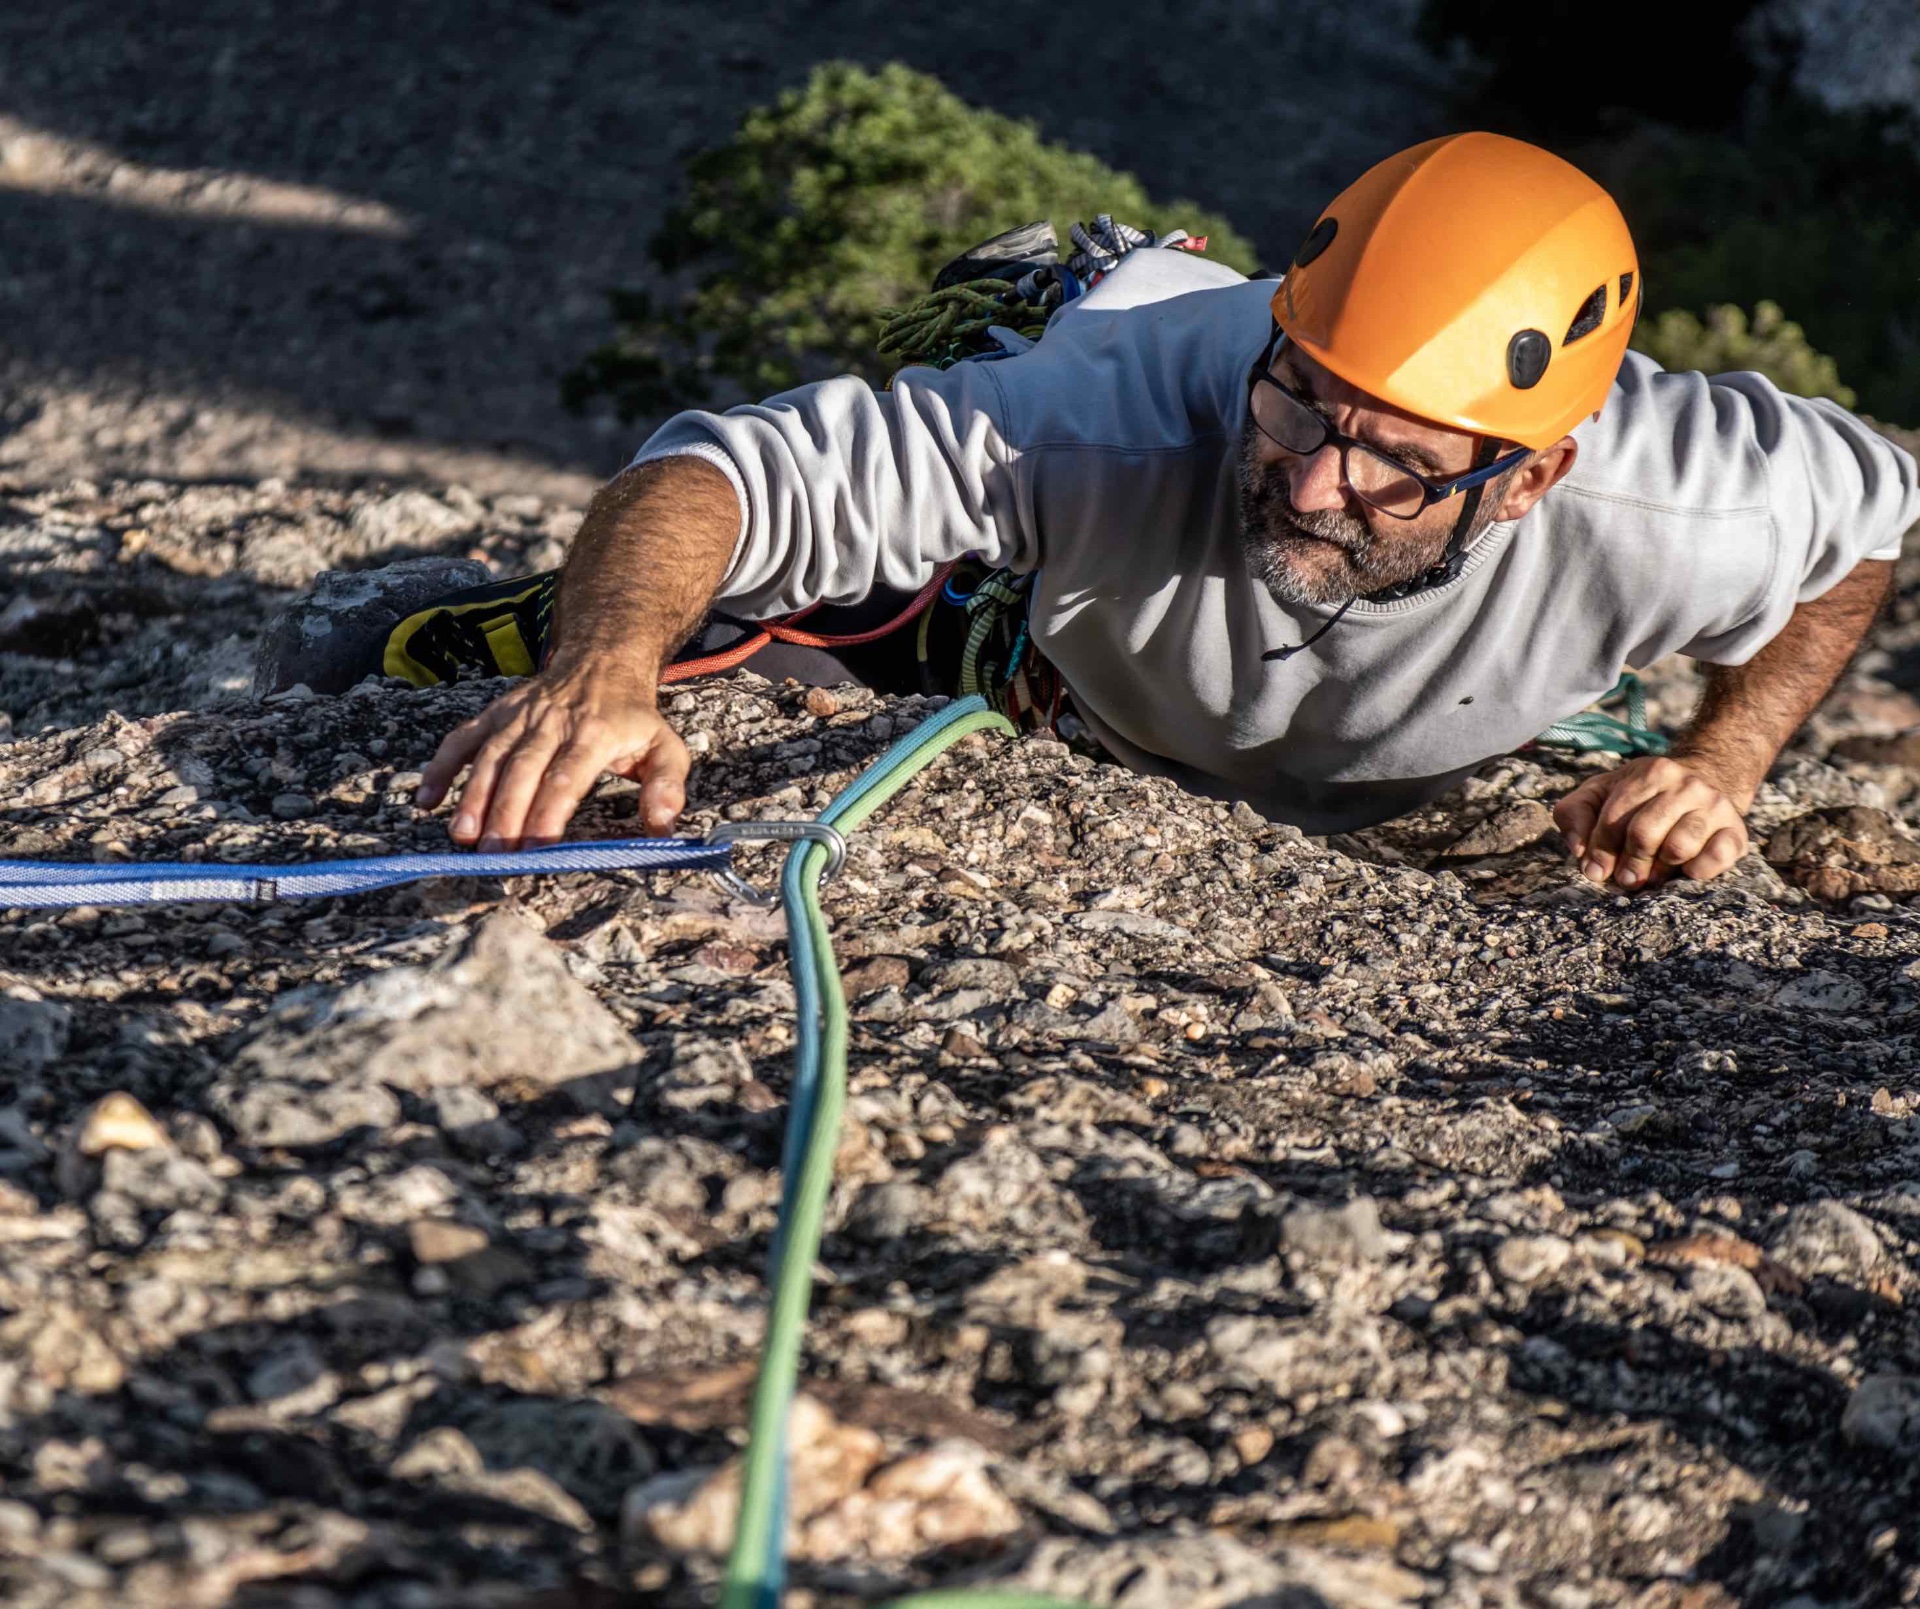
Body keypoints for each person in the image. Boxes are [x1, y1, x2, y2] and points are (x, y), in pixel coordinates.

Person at [402, 132, 1918, 891]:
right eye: (1299, 401)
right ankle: (833, 605)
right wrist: (606, 662)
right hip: (1089, 551)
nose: (1314, 480)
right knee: (935, 538)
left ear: (1533, 474)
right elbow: (727, 469)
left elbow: (1864, 531)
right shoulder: (1125, 405)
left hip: (1371, 734)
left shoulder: (1689, 502)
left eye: (1396, 462)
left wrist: (1721, 761)